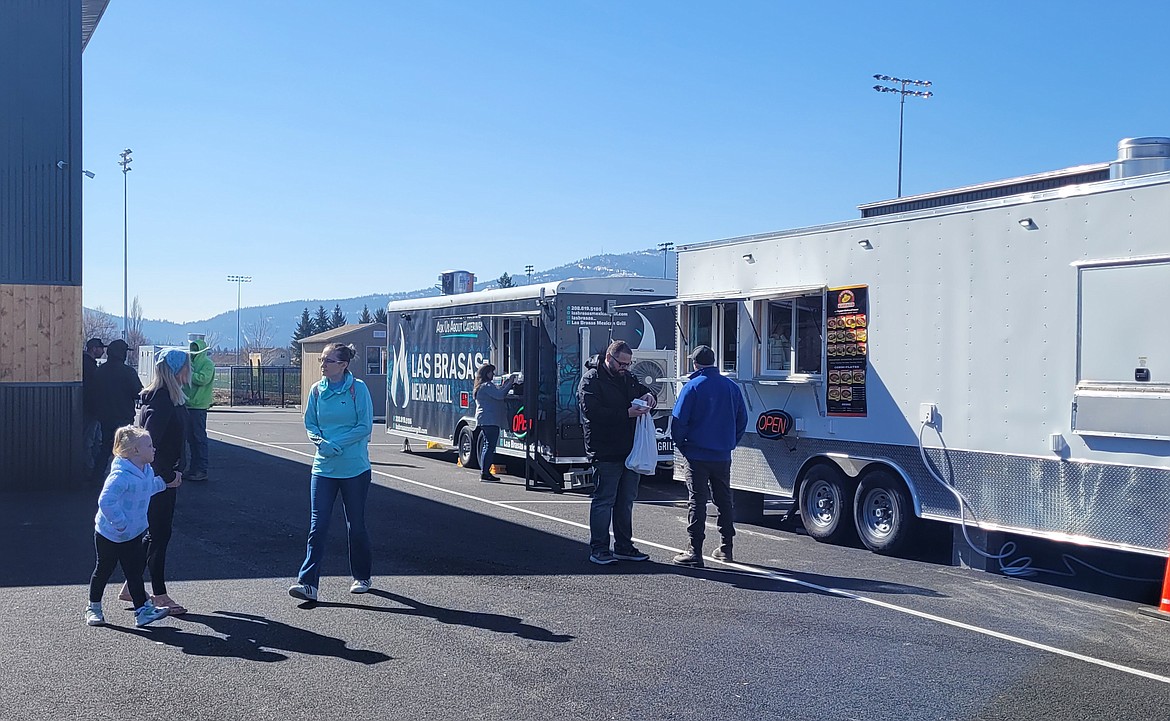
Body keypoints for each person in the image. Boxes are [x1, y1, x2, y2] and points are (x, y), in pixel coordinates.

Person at [290, 343, 375, 602]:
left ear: (343, 364)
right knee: (318, 526)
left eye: (328, 361)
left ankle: (362, 576)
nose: (323, 365)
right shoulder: (317, 391)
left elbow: (364, 426)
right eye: (322, 360)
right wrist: (321, 442)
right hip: (324, 468)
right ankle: (308, 584)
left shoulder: (358, 389)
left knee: (355, 526)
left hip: (354, 469)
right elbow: (310, 423)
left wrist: (338, 443)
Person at [85, 425, 179, 627]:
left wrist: (165, 484)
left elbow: (148, 488)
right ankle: (93, 608)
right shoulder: (120, 476)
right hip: (109, 534)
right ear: (135, 451)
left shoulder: (145, 471)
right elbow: (106, 501)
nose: (154, 449)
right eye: (149, 445)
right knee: (103, 570)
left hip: (133, 534)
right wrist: (119, 524)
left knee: (134, 572)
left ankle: (143, 611)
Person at [122, 348, 191, 615]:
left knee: (155, 534)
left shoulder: (163, 399)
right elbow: (149, 445)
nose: (191, 371)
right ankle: (160, 596)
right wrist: (167, 476)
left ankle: (131, 586)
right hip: (158, 481)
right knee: (159, 535)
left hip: (159, 478)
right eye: (188, 366)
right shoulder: (161, 402)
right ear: (178, 370)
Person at [578, 339, 657, 565]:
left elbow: (644, 391)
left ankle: (624, 545)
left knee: (626, 500)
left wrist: (649, 397)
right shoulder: (591, 380)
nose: (625, 367)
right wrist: (626, 413)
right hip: (605, 449)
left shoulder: (628, 378)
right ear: (609, 359)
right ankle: (599, 548)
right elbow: (592, 413)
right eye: (622, 363)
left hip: (630, 450)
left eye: (629, 364)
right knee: (604, 500)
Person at [670, 345, 748, 567]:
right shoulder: (731, 387)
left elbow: (678, 422)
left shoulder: (692, 386)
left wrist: (682, 445)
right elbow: (742, 420)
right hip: (722, 454)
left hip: (696, 453)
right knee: (724, 500)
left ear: (695, 363)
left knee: (697, 501)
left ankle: (694, 551)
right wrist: (730, 441)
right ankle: (726, 547)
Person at [93, 339, 143, 480]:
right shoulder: (128, 372)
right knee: (125, 448)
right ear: (122, 354)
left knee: (105, 447)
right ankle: (124, 477)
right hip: (124, 416)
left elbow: (94, 393)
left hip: (104, 416)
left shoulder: (99, 371)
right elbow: (137, 392)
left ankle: (97, 476)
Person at [473, 363, 516, 482]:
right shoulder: (486, 385)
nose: (493, 374)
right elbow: (500, 395)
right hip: (489, 419)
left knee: (487, 445)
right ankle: (485, 473)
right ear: (486, 373)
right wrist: (510, 383)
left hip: (485, 418)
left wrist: (505, 385)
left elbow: (496, 394)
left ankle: (484, 472)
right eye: (491, 372)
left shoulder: (481, 386)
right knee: (489, 446)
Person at [183, 336, 214, 482]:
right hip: (188, 404)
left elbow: (203, 379)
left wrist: (188, 374)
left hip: (199, 406)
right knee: (191, 439)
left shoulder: (208, 364)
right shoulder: (189, 364)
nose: (192, 353)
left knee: (199, 438)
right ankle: (193, 469)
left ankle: (201, 469)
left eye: (195, 350)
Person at [81, 338, 106, 480]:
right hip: (92, 410)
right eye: (101, 348)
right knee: (89, 440)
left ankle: (91, 468)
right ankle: (89, 468)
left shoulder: (85, 364)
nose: (103, 351)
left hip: (91, 409)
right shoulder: (90, 366)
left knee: (93, 440)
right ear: (94, 348)